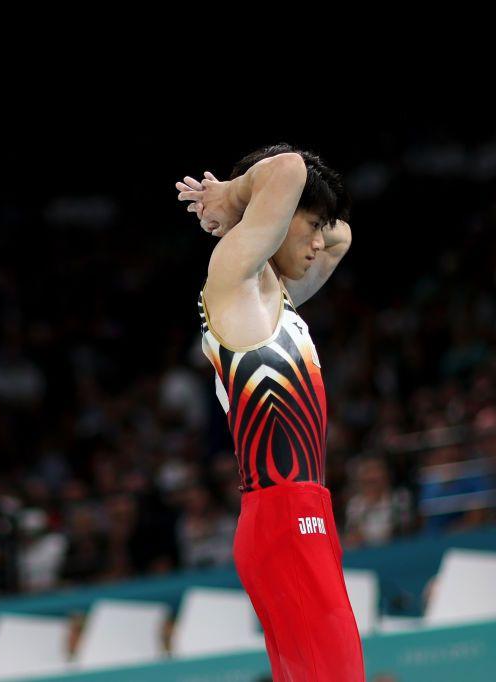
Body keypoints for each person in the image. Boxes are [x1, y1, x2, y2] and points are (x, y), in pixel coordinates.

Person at [176, 143, 364, 680]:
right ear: (276, 215)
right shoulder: (236, 288)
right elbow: (288, 169)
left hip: (300, 514)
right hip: (285, 514)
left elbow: (342, 237)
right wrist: (229, 199)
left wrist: (266, 209)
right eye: (310, 223)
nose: (318, 241)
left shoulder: (275, 301)